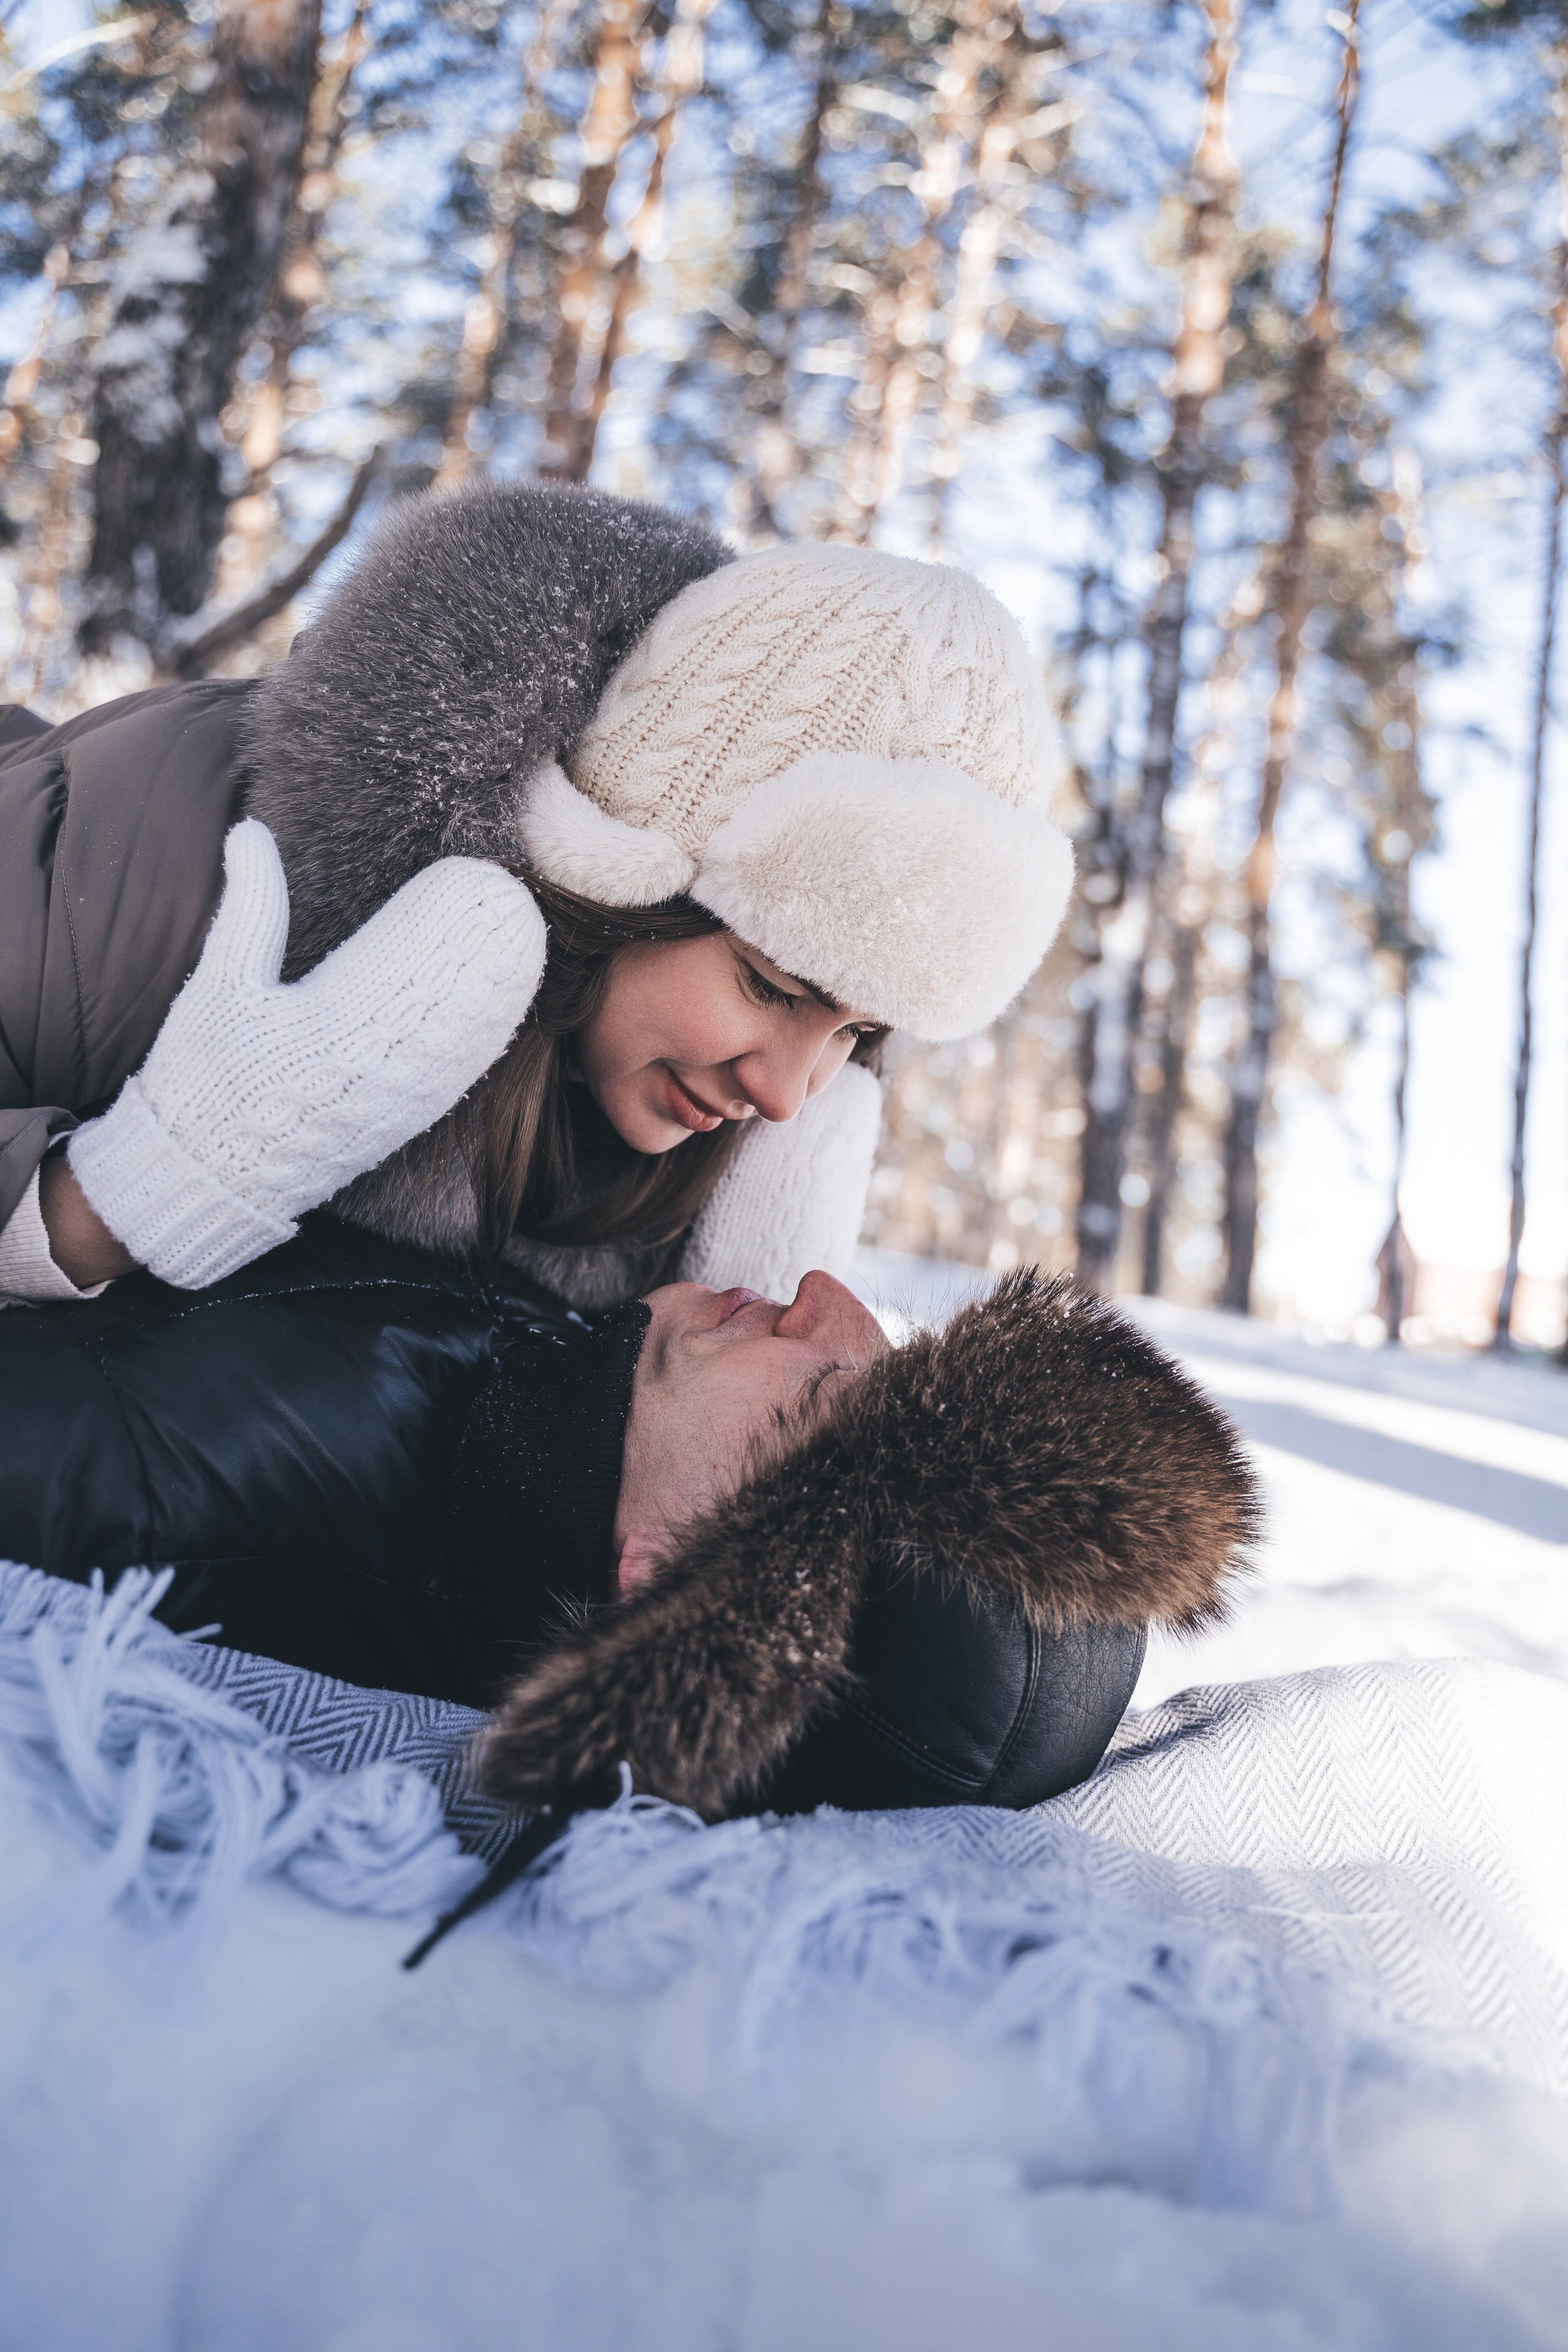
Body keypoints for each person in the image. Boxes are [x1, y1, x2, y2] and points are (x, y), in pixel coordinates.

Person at [0, 479, 1076, 1319]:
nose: (791, 1096)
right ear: (613, 876)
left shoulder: (700, 1147)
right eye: (766, 985)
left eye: (856, 1031)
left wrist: (722, 1365)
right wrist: (119, 1197)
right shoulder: (175, 845)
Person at [0, 1221, 1258, 1823]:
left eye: (825, 1389)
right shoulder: (544, 1409)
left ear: (664, 1573)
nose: (823, 1292)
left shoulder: (177, 1486)